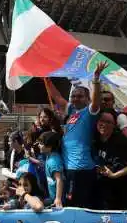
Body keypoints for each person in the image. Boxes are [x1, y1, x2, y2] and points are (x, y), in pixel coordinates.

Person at [43, 61, 105, 208]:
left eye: (80, 96)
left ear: (87, 99)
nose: (76, 98)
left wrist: (96, 79)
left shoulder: (89, 112)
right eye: (74, 96)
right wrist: (46, 79)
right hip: (69, 167)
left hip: (80, 169)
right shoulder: (71, 112)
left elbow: (96, 101)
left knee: (76, 206)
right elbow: (57, 98)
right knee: (70, 204)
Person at [93, 108, 127, 210]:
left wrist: (114, 175)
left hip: (122, 190)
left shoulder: (121, 141)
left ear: (114, 125)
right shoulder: (94, 138)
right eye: (102, 120)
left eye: (108, 122)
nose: (104, 124)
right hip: (104, 189)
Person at [38, 131, 64, 208]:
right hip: (52, 198)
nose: (39, 145)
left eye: (41, 144)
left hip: (57, 201)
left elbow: (59, 180)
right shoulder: (49, 156)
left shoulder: (54, 161)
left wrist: (58, 199)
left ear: (50, 146)